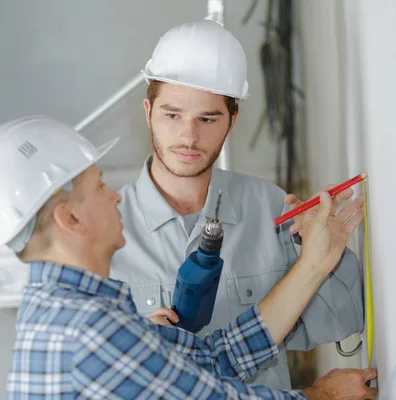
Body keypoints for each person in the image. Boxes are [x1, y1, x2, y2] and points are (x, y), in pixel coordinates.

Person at [0, 115, 377, 399]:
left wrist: (315, 261)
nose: (115, 196)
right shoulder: (88, 331)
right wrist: (318, 395)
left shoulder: (74, 313)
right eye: (99, 186)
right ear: (70, 218)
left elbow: (215, 359)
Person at [110, 19, 367, 391]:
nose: (188, 135)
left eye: (207, 118)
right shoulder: (106, 236)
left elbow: (342, 321)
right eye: (172, 114)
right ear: (148, 111)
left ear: (231, 122)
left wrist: (319, 248)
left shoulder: (271, 209)